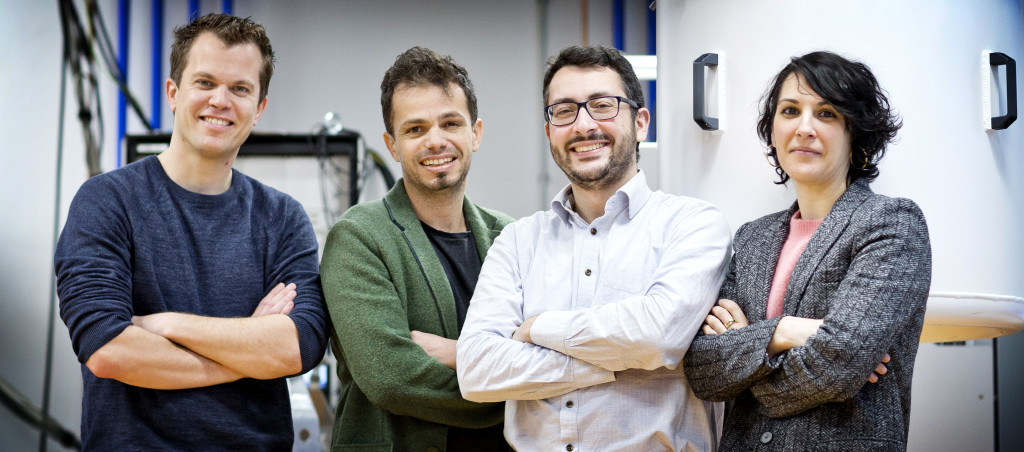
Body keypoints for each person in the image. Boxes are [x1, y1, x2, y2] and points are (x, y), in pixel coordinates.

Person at [53, 13, 329, 450]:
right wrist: (247, 351)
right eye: (205, 82)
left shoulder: (283, 218)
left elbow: (298, 347)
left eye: (240, 88)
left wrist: (166, 324)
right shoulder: (106, 202)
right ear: (173, 93)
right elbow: (108, 350)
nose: (221, 100)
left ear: (258, 109)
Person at [456, 45, 733, 451]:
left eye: (603, 106)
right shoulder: (518, 241)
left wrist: (539, 329)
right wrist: (623, 359)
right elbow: (478, 371)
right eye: (564, 111)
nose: (583, 125)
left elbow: (658, 336)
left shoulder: (692, 225)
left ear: (640, 123)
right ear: (549, 130)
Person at [683, 51, 932, 451]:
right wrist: (785, 332)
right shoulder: (753, 239)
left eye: (827, 113)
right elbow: (703, 370)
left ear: (856, 133)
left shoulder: (891, 223)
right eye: (790, 110)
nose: (804, 127)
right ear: (773, 130)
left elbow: (840, 364)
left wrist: (749, 348)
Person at [319, 46, 514, 451]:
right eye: (415, 129)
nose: (436, 141)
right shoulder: (360, 238)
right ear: (392, 145)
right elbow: (391, 378)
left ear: (474, 134)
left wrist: (461, 354)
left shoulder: (511, 239)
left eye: (450, 123)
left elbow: (549, 355)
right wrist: (517, 393)